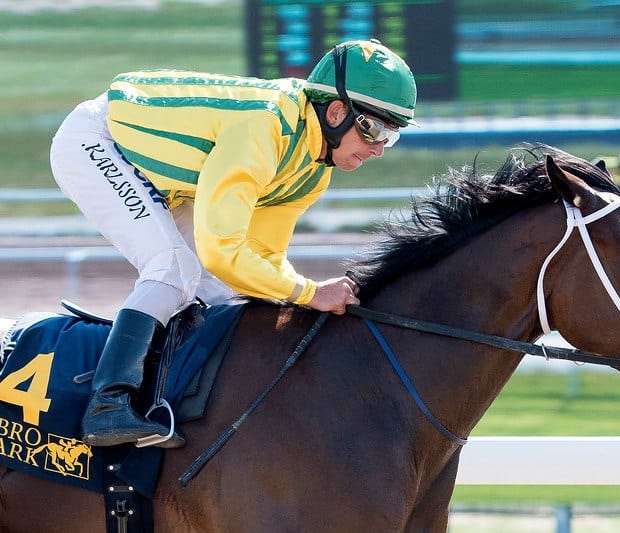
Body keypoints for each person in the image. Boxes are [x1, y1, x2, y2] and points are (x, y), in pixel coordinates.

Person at [49, 39, 417, 448]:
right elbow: (222, 250)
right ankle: (107, 405)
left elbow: (261, 261)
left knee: (219, 293)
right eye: (375, 128)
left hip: (162, 175)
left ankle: (168, 399)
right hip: (98, 142)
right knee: (174, 268)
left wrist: (302, 293)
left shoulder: (312, 171)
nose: (380, 148)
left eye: (392, 135)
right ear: (335, 112)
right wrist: (311, 292)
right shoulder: (265, 127)